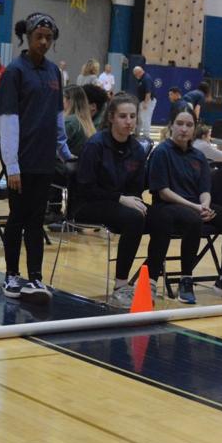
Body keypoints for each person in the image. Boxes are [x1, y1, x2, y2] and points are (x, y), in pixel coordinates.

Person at [0, 13, 75, 301]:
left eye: (48, 38)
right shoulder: (14, 72)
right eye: (38, 37)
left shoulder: (55, 72)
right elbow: (6, 119)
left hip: (44, 161)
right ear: (27, 38)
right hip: (21, 161)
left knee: (36, 220)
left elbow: (57, 115)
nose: (43, 42)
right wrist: (12, 164)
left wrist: (64, 150)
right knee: (17, 218)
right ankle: (11, 276)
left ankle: (36, 278)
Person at [73, 93, 169, 307]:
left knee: (163, 218)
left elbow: (135, 189)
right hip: (87, 204)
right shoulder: (95, 145)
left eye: (132, 116)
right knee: (134, 218)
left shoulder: (136, 149)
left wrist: (128, 199)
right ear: (111, 118)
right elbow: (85, 187)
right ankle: (121, 285)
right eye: (123, 116)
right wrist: (120, 198)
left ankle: (150, 281)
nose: (129, 121)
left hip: (121, 203)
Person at [145, 106, 222, 303]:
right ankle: (186, 279)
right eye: (180, 124)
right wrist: (196, 209)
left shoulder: (198, 156)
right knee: (192, 220)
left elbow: (205, 189)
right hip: (166, 207)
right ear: (171, 126)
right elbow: (163, 192)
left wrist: (205, 205)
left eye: (189, 125)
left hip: (196, 206)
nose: (184, 129)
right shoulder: (161, 152)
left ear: (194, 128)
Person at [62, 85, 95, 156]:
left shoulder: (69, 122)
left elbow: (56, 148)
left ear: (69, 101)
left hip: (66, 165)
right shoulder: (85, 121)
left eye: (62, 98)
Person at [133, 65, 155, 139]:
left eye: (136, 74)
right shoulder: (141, 78)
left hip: (147, 101)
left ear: (139, 72)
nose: (135, 76)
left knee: (146, 118)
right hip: (142, 101)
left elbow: (148, 92)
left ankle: (146, 136)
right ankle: (136, 134)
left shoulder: (146, 78)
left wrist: (146, 103)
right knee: (140, 118)